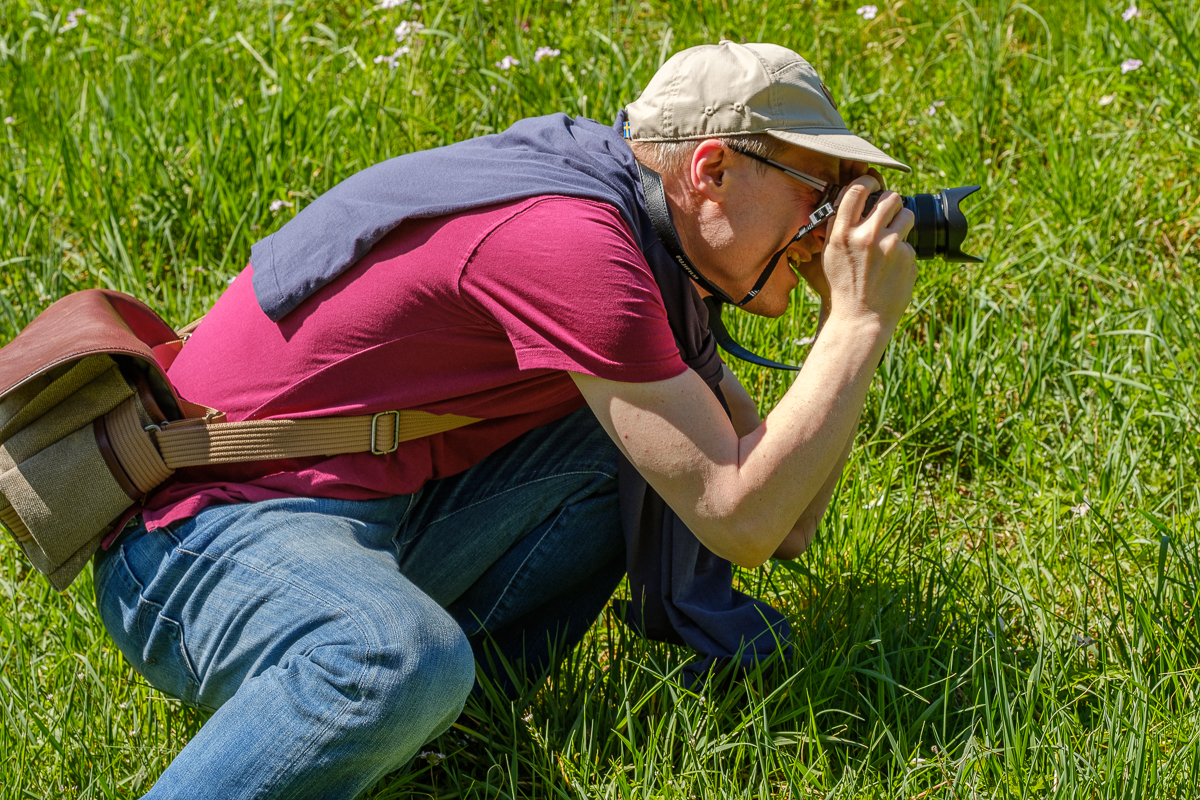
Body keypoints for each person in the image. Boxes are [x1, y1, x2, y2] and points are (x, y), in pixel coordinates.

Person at [92, 41, 917, 798]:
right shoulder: (573, 244)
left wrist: (843, 321)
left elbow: (784, 519)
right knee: (395, 660)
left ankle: (430, 747)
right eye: (820, 194)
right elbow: (742, 515)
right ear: (711, 170)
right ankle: (374, 697)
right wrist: (856, 325)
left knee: (629, 452)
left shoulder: (644, 246)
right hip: (195, 542)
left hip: (360, 514)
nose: (830, 224)